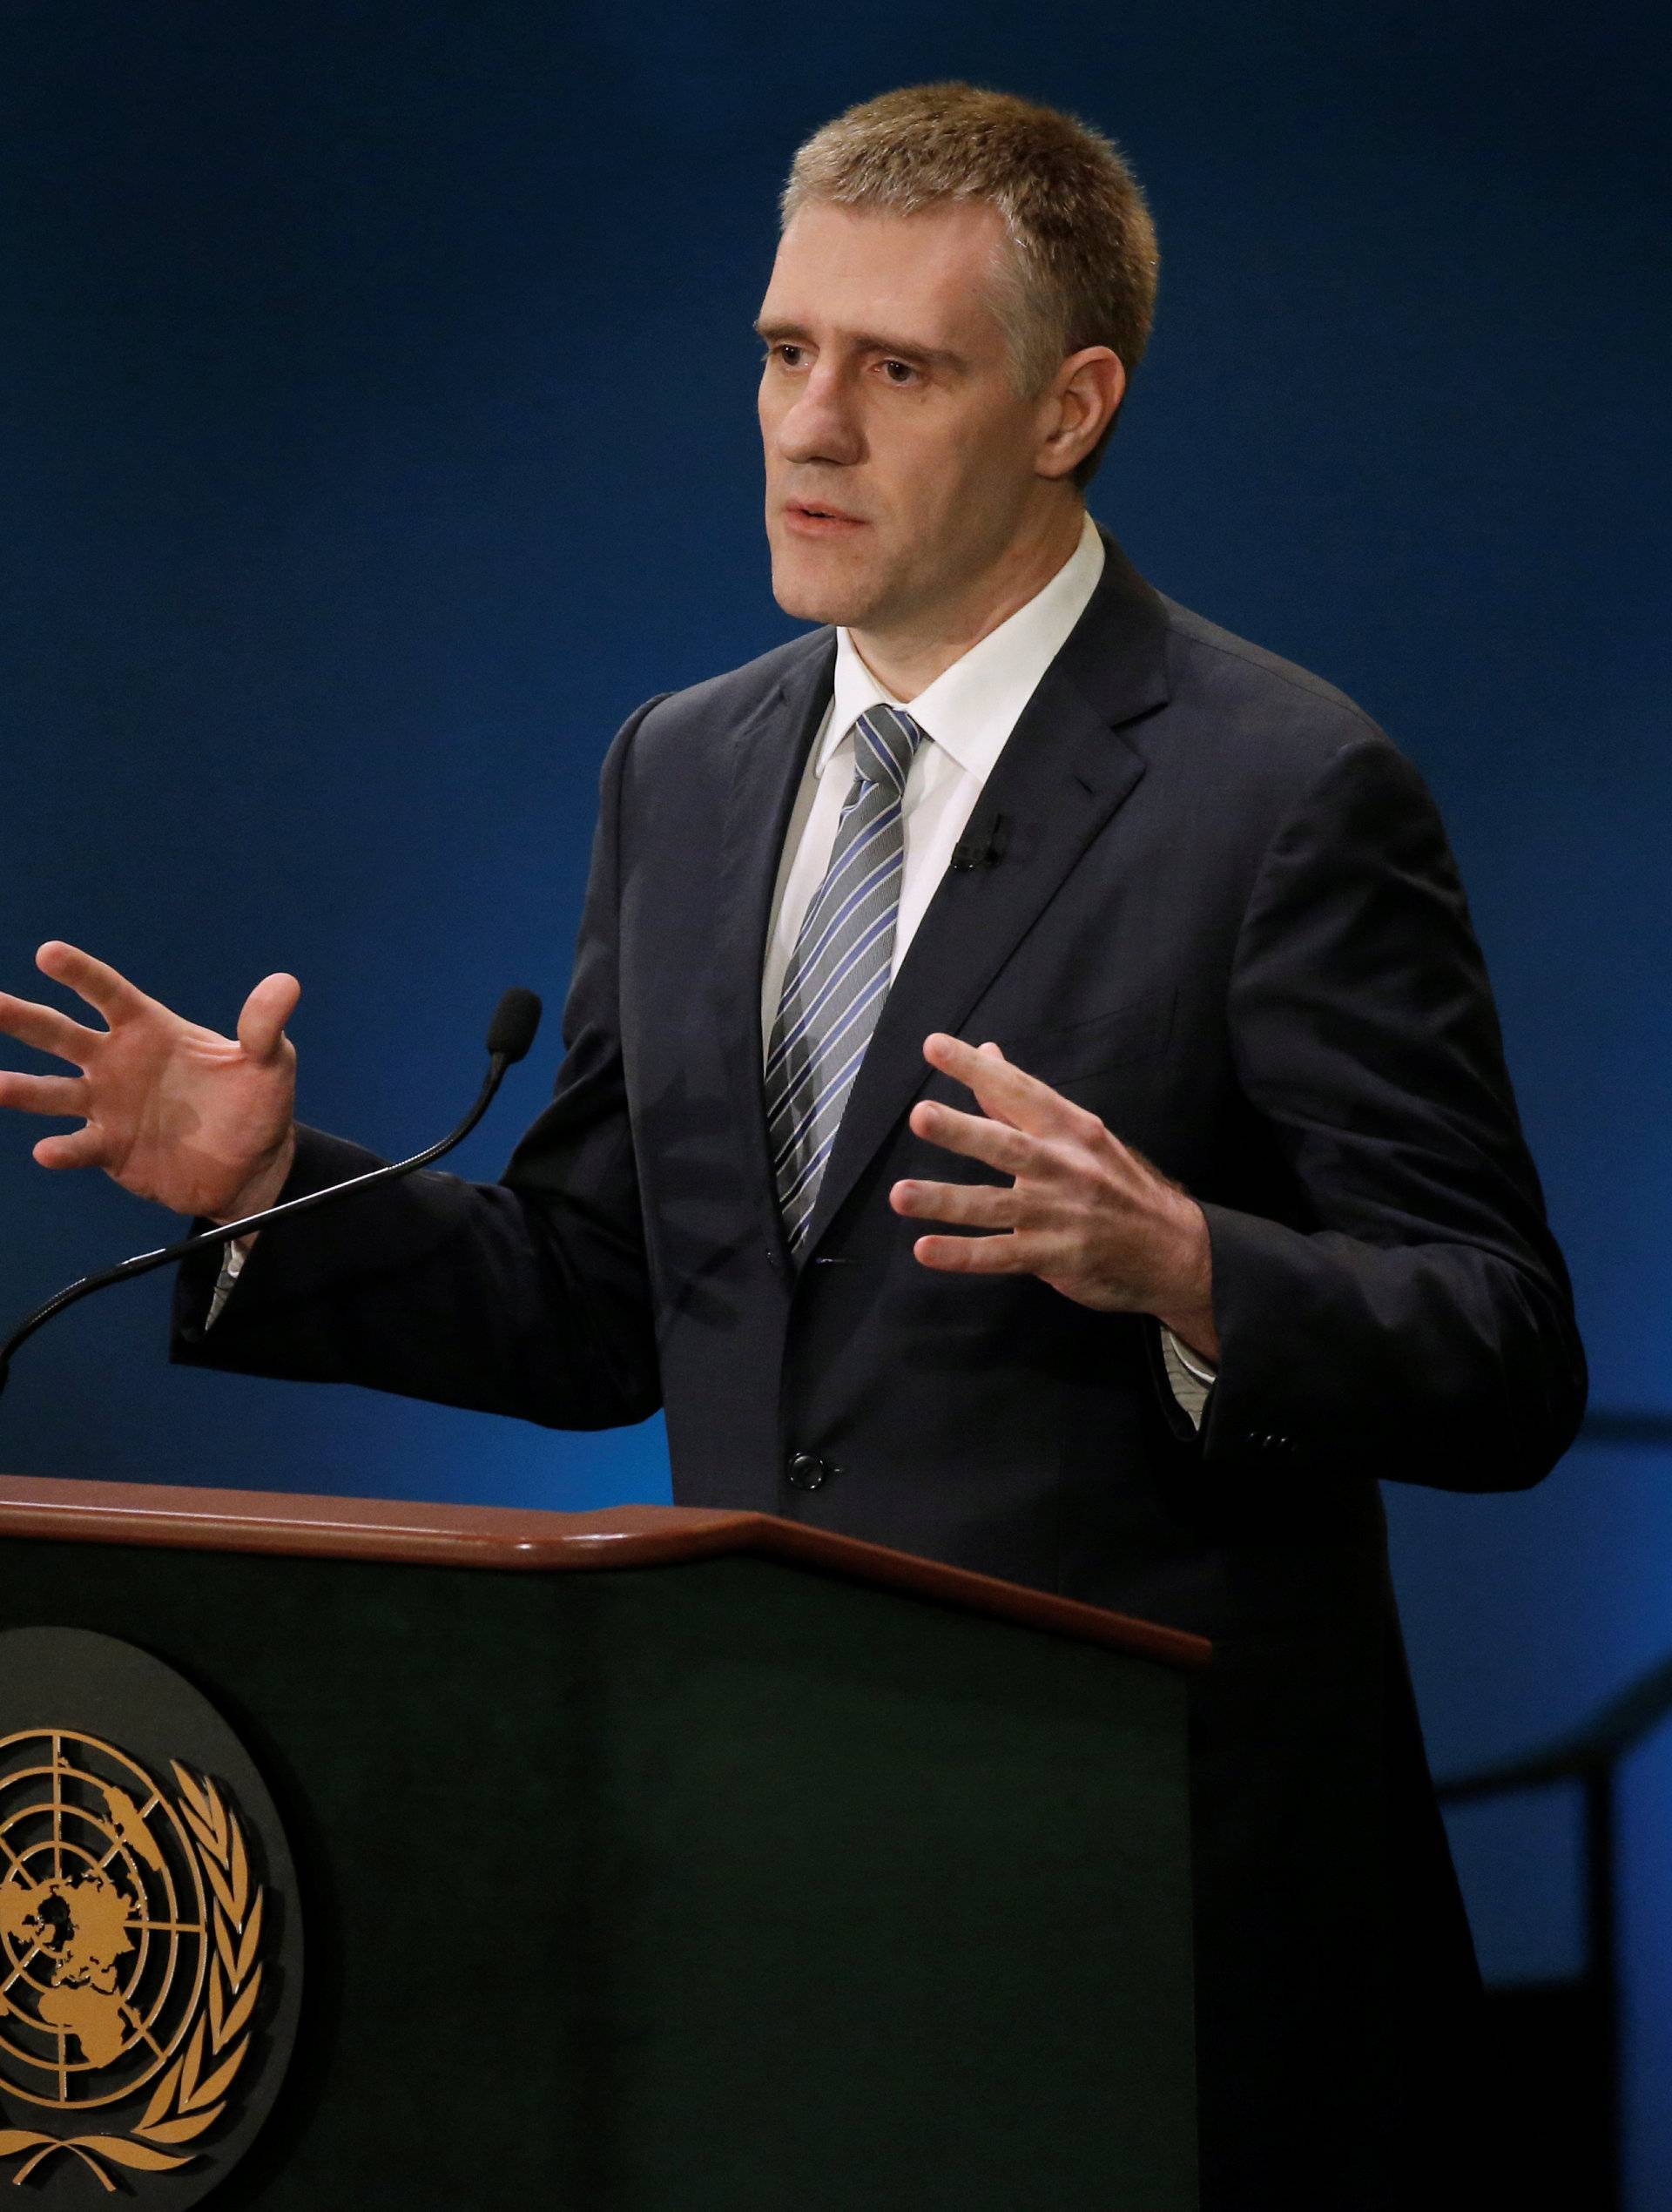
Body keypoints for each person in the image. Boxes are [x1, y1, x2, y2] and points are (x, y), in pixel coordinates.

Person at [0, 83, 1584, 2209]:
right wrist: (274, 1195)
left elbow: (1502, 1351)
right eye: (782, 352)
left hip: (1166, 1934)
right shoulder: (685, 767)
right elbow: (599, 1308)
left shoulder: (1285, 790)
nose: (807, 426)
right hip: (778, 1906)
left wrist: (1194, 1266)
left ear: (1067, 403)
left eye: (895, 367)